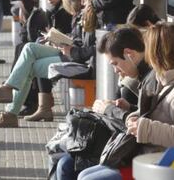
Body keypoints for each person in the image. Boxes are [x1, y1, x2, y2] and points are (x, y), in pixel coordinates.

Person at [78, 21, 174, 180]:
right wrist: (134, 115)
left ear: (156, 52)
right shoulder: (165, 81)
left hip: (162, 165)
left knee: (90, 177)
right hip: (150, 158)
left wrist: (144, 128)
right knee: (85, 174)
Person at [0, 0, 96, 128]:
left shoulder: (97, 20)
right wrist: (60, 40)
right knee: (28, 49)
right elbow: (79, 39)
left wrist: (72, 50)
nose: (83, 3)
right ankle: (11, 99)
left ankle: (10, 106)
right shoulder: (85, 16)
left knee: (29, 59)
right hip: (69, 52)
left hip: (77, 58)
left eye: (85, 0)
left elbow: (94, 50)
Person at [55, 27, 153, 180]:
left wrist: (110, 110)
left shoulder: (154, 80)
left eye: (115, 63)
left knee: (73, 168)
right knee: (66, 162)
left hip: (140, 154)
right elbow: (149, 115)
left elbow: (146, 125)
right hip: (131, 148)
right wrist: (128, 107)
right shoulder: (146, 76)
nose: (115, 70)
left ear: (129, 54)